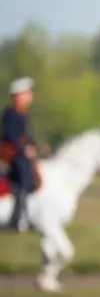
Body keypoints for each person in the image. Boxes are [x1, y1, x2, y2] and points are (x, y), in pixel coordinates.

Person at [1, 76, 39, 232]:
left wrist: (36, 147)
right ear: (18, 95)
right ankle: (18, 218)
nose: (30, 96)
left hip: (22, 155)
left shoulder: (23, 113)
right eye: (27, 93)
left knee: (32, 179)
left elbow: (26, 136)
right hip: (13, 156)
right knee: (22, 178)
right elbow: (10, 136)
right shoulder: (11, 113)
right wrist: (25, 148)